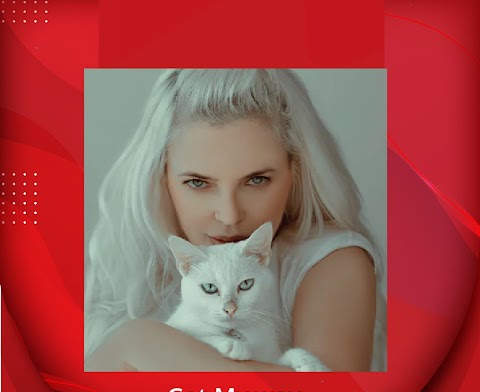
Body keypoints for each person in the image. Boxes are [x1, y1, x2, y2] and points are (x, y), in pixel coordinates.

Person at [85, 68, 385, 372]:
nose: (229, 216)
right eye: (198, 183)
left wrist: (137, 343)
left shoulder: (331, 262)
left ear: (295, 172)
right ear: (161, 177)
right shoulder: (134, 269)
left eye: (256, 180)